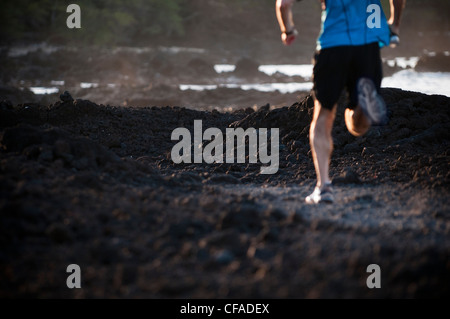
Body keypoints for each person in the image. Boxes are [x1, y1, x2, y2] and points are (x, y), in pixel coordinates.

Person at [276, 0, 397, 204]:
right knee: (359, 126)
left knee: (323, 114)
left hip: (333, 45)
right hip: (367, 47)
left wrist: (288, 30)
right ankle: (362, 107)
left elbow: (283, 4)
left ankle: (323, 187)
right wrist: (395, 23)